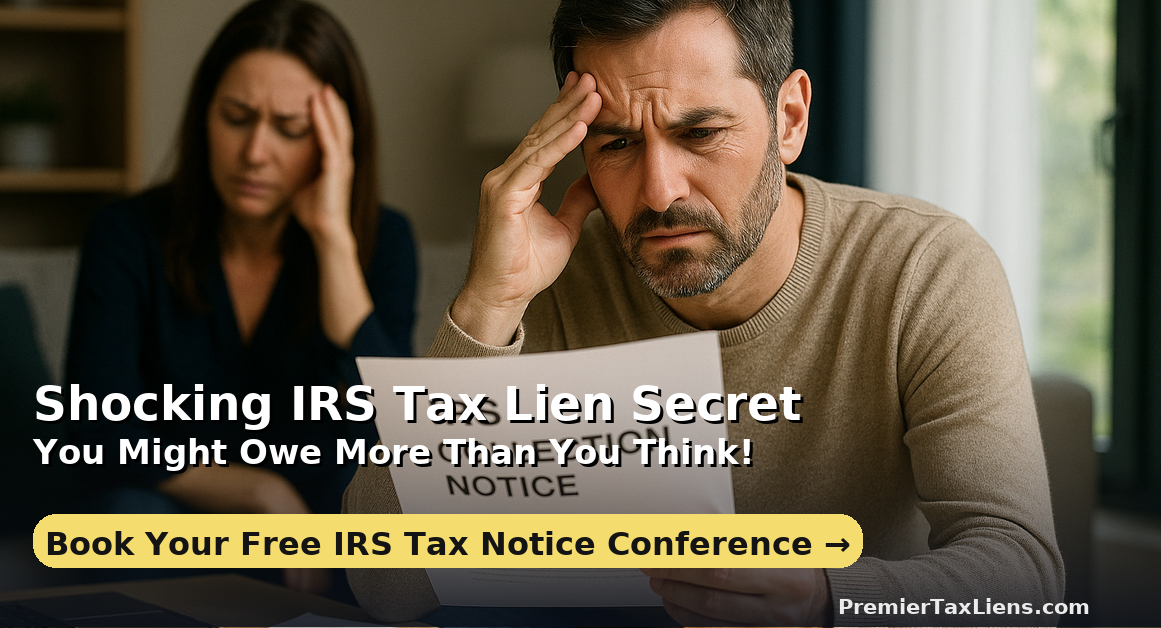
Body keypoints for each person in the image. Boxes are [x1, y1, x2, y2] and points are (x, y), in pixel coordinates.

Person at [343, 0, 1064, 625]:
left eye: (699, 134)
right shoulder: (549, 281)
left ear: (789, 118)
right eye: (618, 143)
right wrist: (487, 307)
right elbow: (384, 582)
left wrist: (826, 601)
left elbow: (1022, 581)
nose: (659, 192)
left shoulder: (926, 269)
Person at [65, 0, 416, 595]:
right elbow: (94, 426)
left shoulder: (383, 241)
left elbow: (390, 440)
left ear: (336, 139)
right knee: (121, 522)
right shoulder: (126, 235)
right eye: (236, 117)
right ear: (204, 116)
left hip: (328, 533)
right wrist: (259, 493)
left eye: (290, 129)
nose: (255, 153)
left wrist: (333, 239)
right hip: (178, 523)